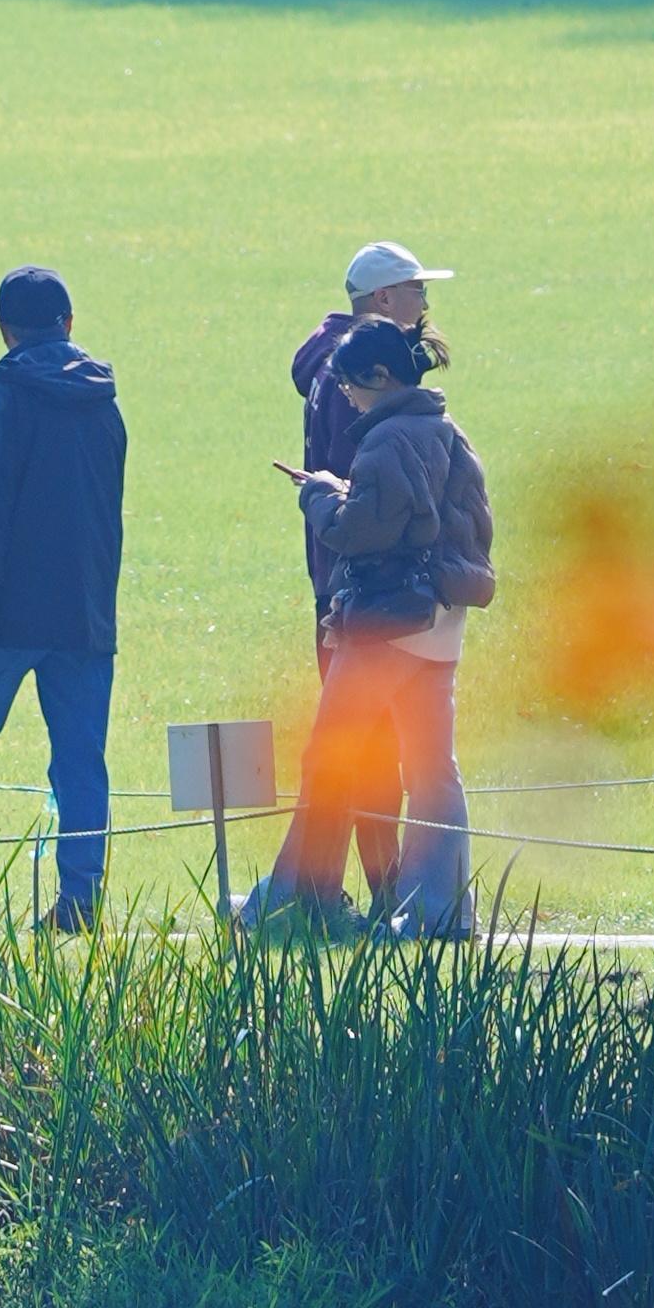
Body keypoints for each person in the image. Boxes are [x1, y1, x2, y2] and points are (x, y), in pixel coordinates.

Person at [260, 311, 493, 932]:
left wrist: (319, 495)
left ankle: (300, 900)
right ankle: (440, 912)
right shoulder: (447, 430)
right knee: (432, 769)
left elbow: (363, 531)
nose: (347, 397)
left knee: (329, 757)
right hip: (439, 628)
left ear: (380, 376)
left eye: (349, 386)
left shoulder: (390, 439)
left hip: (386, 625)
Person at [0, 267, 128, 926]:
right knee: (79, 760)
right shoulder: (104, 403)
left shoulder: (0, 403)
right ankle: (80, 901)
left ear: (4, 331)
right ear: (69, 323)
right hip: (86, 615)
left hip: (8, 616)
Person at [283, 243, 442, 890]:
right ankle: (376, 887)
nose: (425, 302)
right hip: (367, 591)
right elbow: (370, 503)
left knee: (355, 745)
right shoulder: (359, 384)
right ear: (383, 299)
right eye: (415, 289)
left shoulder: (333, 368)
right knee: (371, 747)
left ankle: (327, 887)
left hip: (348, 586)